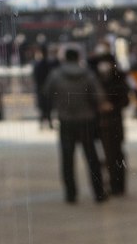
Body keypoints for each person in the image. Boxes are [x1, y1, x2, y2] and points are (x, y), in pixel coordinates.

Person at [44, 47, 106, 205]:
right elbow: (99, 97)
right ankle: (98, 192)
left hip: (66, 120)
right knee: (92, 157)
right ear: (79, 58)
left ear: (64, 58)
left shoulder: (56, 75)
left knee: (67, 159)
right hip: (86, 120)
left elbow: (47, 93)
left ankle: (70, 194)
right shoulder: (88, 75)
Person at [89, 43, 130, 197]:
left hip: (114, 121)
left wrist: (112, 106)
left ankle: (118, 185)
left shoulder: (118, 77)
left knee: (116, 154)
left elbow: (125, 99)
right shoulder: (94, 78)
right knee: (108, 155)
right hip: (101, 122)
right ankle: (112, 184)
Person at [33, 46, 59, 129]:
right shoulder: (48, 64)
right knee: (47, 107)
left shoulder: (39, 64)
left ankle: (43, 122)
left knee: (44, 107)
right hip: (46, 89)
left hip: (42, 88)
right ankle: (46, 122)